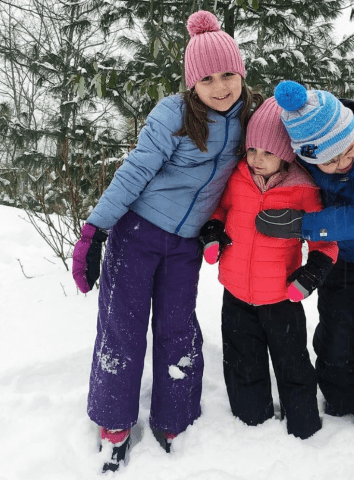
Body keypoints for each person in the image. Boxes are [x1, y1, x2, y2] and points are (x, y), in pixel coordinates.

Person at [71, 10, 263, 473]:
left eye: (229, 74)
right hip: (136, 234)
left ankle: (173, 418)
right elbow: (134, 171)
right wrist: (95, 228)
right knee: (123, 326)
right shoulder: (173, 114)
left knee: (179, 328)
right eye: (208, 78)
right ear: (192, 83)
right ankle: (114, 424)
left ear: (241, 72)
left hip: (186, 246)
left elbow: (289, 142)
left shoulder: (251, 118)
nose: (221, 87)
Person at [255, 81, 354, 447]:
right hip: (341, 261)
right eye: (329, 161)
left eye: (348, 150)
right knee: (336, 338)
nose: (344, 162)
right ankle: (340, 407)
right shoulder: (305, 156)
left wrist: (302, 226)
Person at [198, 97, 339, 440]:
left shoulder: (303, 191)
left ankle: (304, 425)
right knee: (242, 361)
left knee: (292, 363)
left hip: (281, 297)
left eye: (267, 152)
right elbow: (220, 210)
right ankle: (251, 421)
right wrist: (213, 232)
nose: (257, 160)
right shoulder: (236, 178)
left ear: (286, 154)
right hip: (235, 293)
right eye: (252, 151)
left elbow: (324, 240)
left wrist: (311, 272)